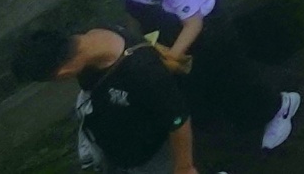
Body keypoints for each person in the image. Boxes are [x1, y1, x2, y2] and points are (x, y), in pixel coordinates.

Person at [87, 0, 296, 154]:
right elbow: (134, 14)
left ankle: (278, 107)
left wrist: (171, 61)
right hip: (168, 38)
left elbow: (193, 23)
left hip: (208, 35)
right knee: (200, 89)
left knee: (234, 81)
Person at [14, 25, 196, 174]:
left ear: (64, 73)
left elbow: (178, 119)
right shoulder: (91, 35)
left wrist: (183, 167)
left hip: (149, 157)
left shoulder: (142, 70)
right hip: (116, 148)